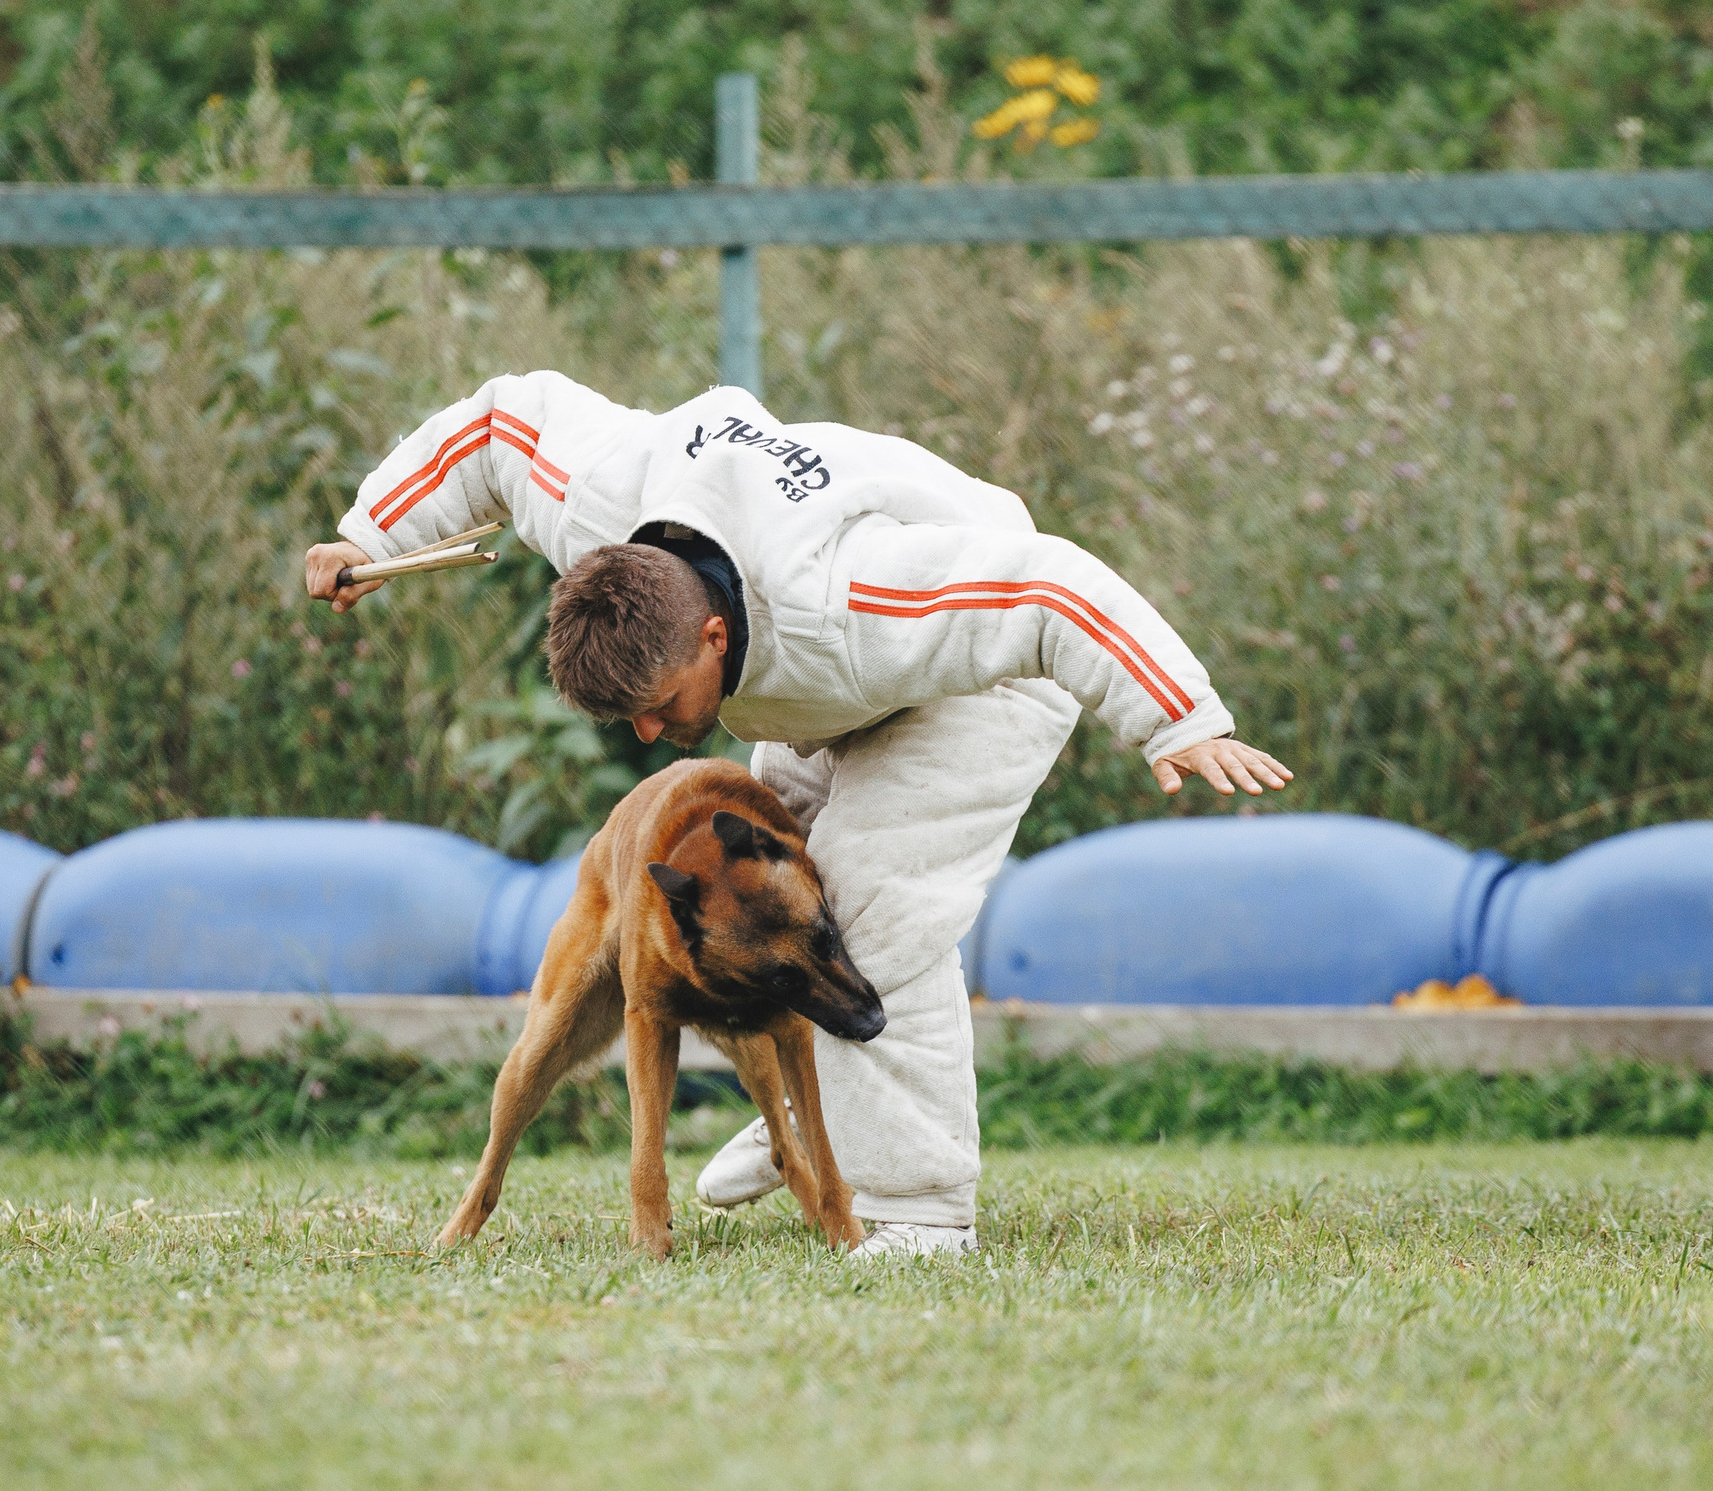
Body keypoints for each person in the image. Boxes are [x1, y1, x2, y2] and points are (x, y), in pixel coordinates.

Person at [303, 371, 1291, 1258]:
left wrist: (1175, 717)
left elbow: (1046, 585)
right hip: (826, 695)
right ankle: (811, 1116)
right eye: (627, 718)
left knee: (853, 910)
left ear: (714, 633)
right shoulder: (596, 507)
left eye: (658, 705)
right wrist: (371, 534)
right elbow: (501, 423)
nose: (651, 735)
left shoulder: (855, 597)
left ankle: (918, 1210)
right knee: (753, 904)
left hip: (990, 664)